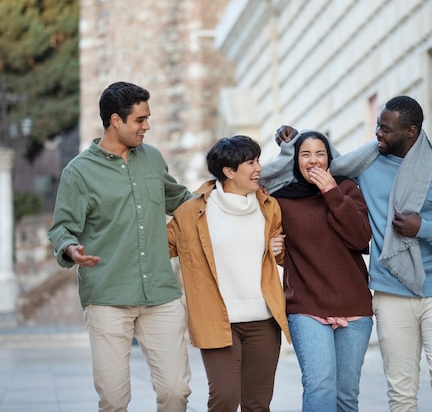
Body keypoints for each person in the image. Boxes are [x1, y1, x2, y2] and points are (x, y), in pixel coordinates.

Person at [263, 95, 432, 412]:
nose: (377, 134)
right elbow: (324, 165)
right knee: (400, 391)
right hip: (390, 292)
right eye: (377, 126)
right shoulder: (366, 167)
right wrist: (294, 144)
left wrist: (424, 228)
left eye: (385, 129)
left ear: (410, 132)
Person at [47, 81, 193, 412]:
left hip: (160, 294)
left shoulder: (152, 158)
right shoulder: (79, 172)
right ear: (116, 121)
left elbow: (181, 200)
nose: (147, 126)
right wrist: (71, 249)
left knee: (175, 391)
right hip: (108, 296)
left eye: (147, 118)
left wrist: (227, 196)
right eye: (140, 120)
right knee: (113, 400)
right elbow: (62, 228)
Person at [166, 135, 291, 412]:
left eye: (258, 160)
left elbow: (281, 258)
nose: (259, 167)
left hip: (264, 322)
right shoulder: (191, 212)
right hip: (217, 323)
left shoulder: (269, 207)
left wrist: (276, 248)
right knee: (224, 399)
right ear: (229, 171)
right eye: (251, 162)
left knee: (257, 404)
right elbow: (159, 250)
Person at [269, 130, 373, 412]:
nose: (313, 160)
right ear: (296, 160)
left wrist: (331, 192)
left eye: (320, 153)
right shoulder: (282, 200)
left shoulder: (348, 189)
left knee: (346, 396)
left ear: (329, 158)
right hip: (306, 305)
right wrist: (274, 247)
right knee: (320, 386)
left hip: (354, 306)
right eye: (305, 154)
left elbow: (361, 238)